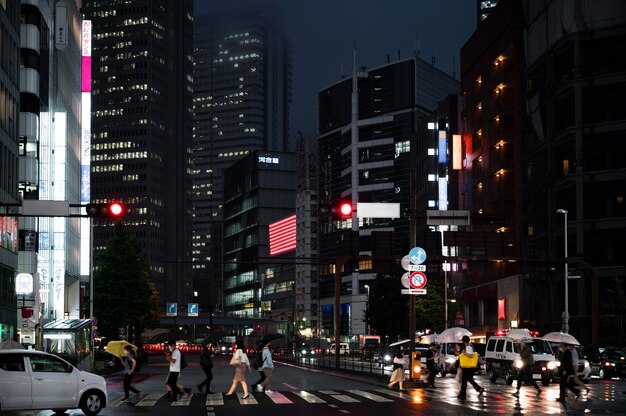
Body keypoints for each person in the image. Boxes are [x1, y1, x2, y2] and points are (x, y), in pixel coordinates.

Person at [458, 335, 484, 400]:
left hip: (468, 367)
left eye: (462, 340)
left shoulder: (469, 347)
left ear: (464, 341)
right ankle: (478, 389)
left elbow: (471, 356)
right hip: (467, 367)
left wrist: (464, 353)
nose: (462, 342)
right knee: (468, 380)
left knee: (465, 381)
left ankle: (462, 395)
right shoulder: (468, 346)